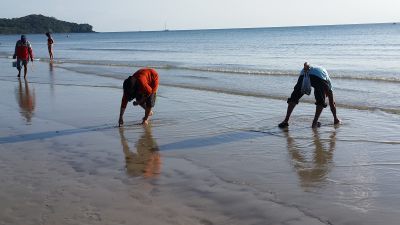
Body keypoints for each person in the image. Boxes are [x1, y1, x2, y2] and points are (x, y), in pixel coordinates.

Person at [279, 62, 340, 128]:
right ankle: (314, 123)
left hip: (304, 74)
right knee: (320, 101)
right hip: (318, 77)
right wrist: (335, 118)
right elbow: (332, 102)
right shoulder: (327, 80)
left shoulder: (317, 70)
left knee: (294, 97)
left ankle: (286, 121)